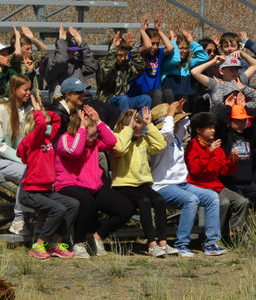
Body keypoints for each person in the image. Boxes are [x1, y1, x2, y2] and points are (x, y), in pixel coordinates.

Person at [55, 105, 135, 259]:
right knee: (86, 200)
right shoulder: (65, 139)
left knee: (127, 208)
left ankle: (97, 237)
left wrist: (98, 122)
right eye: (89, 136)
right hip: (68, 185)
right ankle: (79, 243)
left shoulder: (95, 142)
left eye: (94, 135)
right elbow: (75, 151)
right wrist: (83, 131)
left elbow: (112, 142)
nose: (92, 139)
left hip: (92, 185)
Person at [150, 100, 227, 257]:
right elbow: (166, 132)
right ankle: (182, 243)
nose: (179, 122)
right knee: (191, 200)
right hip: (163, 186)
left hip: (182, 184)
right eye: (174, 120)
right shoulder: (160, 138)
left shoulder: (177, 138)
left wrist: (180, 110)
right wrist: (170, 114)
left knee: (212, 197)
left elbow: (186, 123)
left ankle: (211, 243)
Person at [16, 94, 78, 260]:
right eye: (44, 124)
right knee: (58, 209)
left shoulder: (47, 139)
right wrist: (37, 112)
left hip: (45, 191)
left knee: (72, 204)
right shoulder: (31, 141)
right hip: (30, 192)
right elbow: (42, 124)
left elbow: (56, 119)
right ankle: (39, 245)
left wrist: (44, 111)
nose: (48, 126)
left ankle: (55, 244)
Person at [111, 107, 178, 257]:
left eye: (139, 131)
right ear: (126, 127)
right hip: (123, 185)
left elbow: (160, 145)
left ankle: (163, 242)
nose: (138, 134)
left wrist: (149, 125)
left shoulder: (142, 140)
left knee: (159, 200)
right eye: (135, 130)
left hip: (142, 184)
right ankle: (151, 244)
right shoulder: (117, 138)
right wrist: (128, 130)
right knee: (144, 202)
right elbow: (120, 148)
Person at [0, 74, 33, 236]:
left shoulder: (27, 110)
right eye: (25, 89)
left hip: (16, 160)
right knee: (28, 173)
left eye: (30, 89)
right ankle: (18, 220)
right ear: (14, 89)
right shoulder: (1, 109)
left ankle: (40, 220)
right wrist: (22, 159)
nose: (28, 93)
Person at [185, 112, 247, 245]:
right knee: (223, 202)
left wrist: (232, 161)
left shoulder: (216, 146)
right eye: (209, 128)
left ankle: (234, 235)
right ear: (199, 130)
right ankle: (213, 238)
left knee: (242, 201)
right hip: (198, 186)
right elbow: (194, 170)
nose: (213, 130)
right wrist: (209, 152)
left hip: (216, 186)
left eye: (213, 127)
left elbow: (224, 171)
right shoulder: (192, 145)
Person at [216, 94, 256, 214]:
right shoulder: (225, 135)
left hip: (247, 183)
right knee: (241, 202)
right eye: (238, 120)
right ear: (230, 120)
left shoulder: (249, 134)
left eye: (244, 120)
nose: (241, 123)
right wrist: (228, 107)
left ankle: (254, 227)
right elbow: (219, 119)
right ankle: (234, 230)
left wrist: (245, 108)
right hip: (229, 183)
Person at [127, 14, 176, 106]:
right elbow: (148, 46)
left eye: (157, 44)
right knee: (157, 93)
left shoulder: (159, 54)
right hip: (139, 95)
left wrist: (160, 31)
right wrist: (142, 30)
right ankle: (157, 119)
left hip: (154, 93)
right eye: (153, 43)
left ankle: (170, 116)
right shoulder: (136, 52)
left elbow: (170, 48)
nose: (155, 47)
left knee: (168, 92)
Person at [96, 30, 149, 112]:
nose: (123, 58)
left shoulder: (125, 66)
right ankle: (124, 124)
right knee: (123, 99)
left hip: (123, 101)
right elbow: (105, 72)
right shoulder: (103, 63)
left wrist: (132, 48)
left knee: (145, 99)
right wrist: (113, 49)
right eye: (120, 55)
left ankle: (143, 124)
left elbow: (140, 67)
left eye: (125, 55)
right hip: (106, 102)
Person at [190, 54, 256, 111]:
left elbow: (255, 64)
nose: (235, 72)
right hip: (221, 122)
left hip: (239, 119)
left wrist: (242, 54)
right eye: (231, 69)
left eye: (236, 69)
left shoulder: (240, 80)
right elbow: (194, 72)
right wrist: (213, 62)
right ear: (221, 71)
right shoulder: (216, 83)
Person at [44, 24, 98, 99]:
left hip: (79, 102)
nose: (72, 55)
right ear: (60, 49)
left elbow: (91, 67)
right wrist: (62, 43)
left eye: (74, 52)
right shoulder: (51, 64)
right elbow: (60, 61)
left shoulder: (75, 63)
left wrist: (82, 44)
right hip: (62, 104)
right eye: (69, 52)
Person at [161, 29, 209, 101]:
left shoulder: (187, 64)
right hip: (171, 99)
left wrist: (191, 41)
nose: (184, 51)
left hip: (186, 99)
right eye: (180, 48)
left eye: (186, 48)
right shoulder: (166, 63)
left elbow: (204, 57)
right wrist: (173, 43)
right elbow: (176, 60)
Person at [9, 25, 48, 91]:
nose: (30, 51)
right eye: (27, 49)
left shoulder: (31, 59)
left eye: (31, 48)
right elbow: (17, 54)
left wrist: (33, 39)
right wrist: (17, 38)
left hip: (31, 95)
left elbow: (44, 51)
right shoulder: (11, 60)